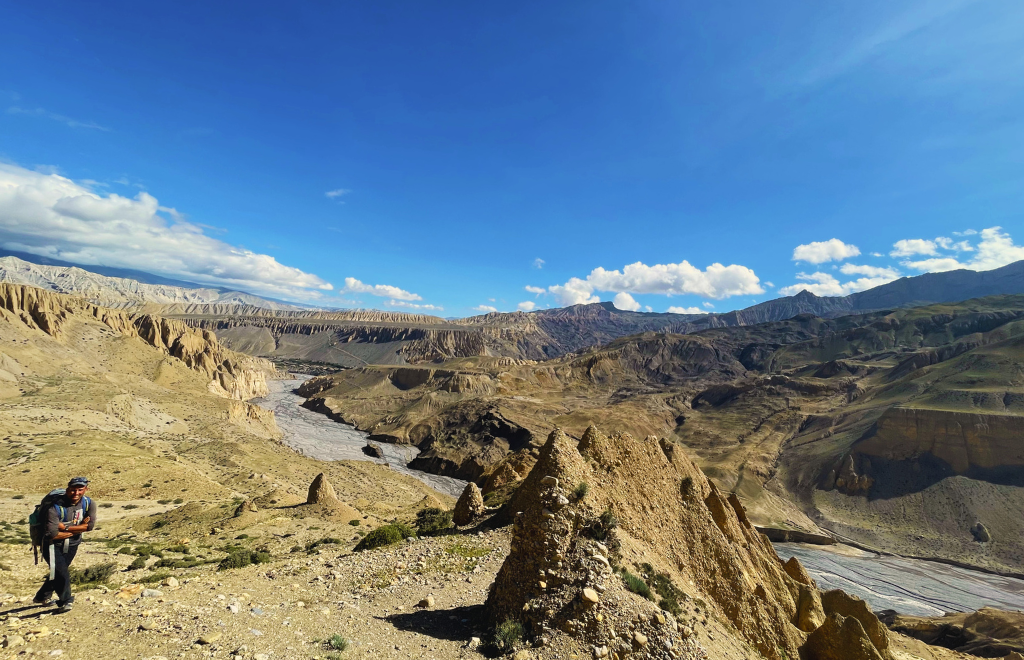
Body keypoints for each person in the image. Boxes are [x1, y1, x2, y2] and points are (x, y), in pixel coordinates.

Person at [33, 477, 96, 612]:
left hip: (73, 544)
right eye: (73, 490)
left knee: (58, 571)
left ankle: (41, 596)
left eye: (80, 489)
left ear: (86, 489)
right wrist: (79, 527)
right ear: (68, 489)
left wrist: (65, 528)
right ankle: (66, 601)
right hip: (51, 545)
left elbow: (90, 526)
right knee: (62, 572)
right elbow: (52, 534)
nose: (76, 493)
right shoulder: (54, 507)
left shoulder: (88, 503)